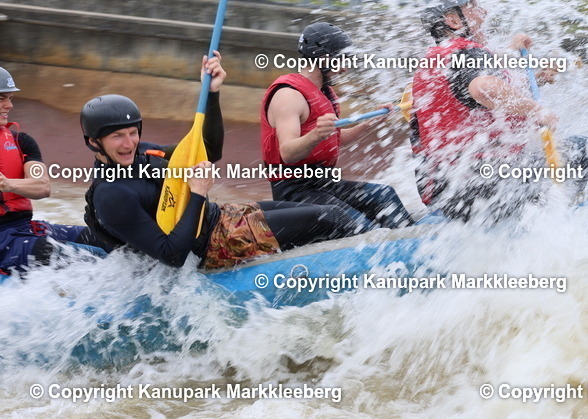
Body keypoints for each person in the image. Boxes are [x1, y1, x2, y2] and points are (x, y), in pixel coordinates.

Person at [81, 53, 372, 270]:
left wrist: (211, 93)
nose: (129, 143)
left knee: (324, 212)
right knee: (331, 219)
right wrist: (197, 194)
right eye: (117, 137)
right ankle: (368, 271)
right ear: (94, 142)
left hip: (222, 217)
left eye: (133, 133)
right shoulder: (112, 195)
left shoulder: (144, 154)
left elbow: (209, 149)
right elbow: (172, 255)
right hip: (212, 246)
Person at [411, 0, 588, 222]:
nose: (484, 12)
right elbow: (485, 89)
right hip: (482, 184)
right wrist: (536, 110)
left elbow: (481, 95)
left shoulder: (438, 58)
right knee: (583, 150)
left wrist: (536, 77)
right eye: (474, 7)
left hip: (449, 190)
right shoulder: (466, 53)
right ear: (453, 21)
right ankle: (579, 219)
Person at [261, 22, 414, 230]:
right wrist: (316, 134)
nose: (344, 68)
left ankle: (412, 242)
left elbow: (335, 138)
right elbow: (287, 152)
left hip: (322, 183)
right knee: (358, 225)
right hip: (294, 190)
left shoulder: (323, 91)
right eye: (340, 60)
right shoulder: (289, 96)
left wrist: (369, 125)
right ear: (322, 58)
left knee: (384, 195)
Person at [0, 66, 94, 275]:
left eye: (10, 98)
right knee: (70, 258)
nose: (9, 105)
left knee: (99, 236)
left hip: (24, 227)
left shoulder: (21, 141)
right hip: (2, 241)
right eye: (1, 99)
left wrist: (8, 184)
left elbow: (42, 186)